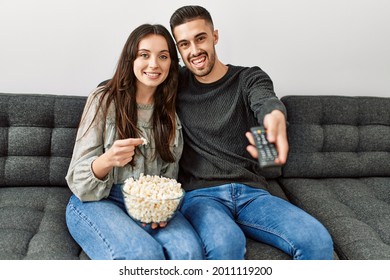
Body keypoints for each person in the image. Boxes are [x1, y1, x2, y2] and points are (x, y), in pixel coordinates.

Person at [169, 5, 334, 260]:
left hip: (252, 193)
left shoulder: (248, 78)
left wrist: (274, 117)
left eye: (200, 38)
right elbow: (128, 81)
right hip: (201, 196)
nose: (194, 51)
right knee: (227, 244)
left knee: (318, 241)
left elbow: (266, 101)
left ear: (214, 36)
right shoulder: (173, 84)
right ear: (178, 49)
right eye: (184, 44)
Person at [65, 23, 204, 260]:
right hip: (99, 200)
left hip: (150, 205)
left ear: (171, 63)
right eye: (144, 55)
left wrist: (164, 209)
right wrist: (107, 160)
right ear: (131, 59)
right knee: (144, 255)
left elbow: (168, 179)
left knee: (189, 253)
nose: (154, 64)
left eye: (163, 56)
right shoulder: (103, 100)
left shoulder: (170, 111)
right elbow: (78, 181)